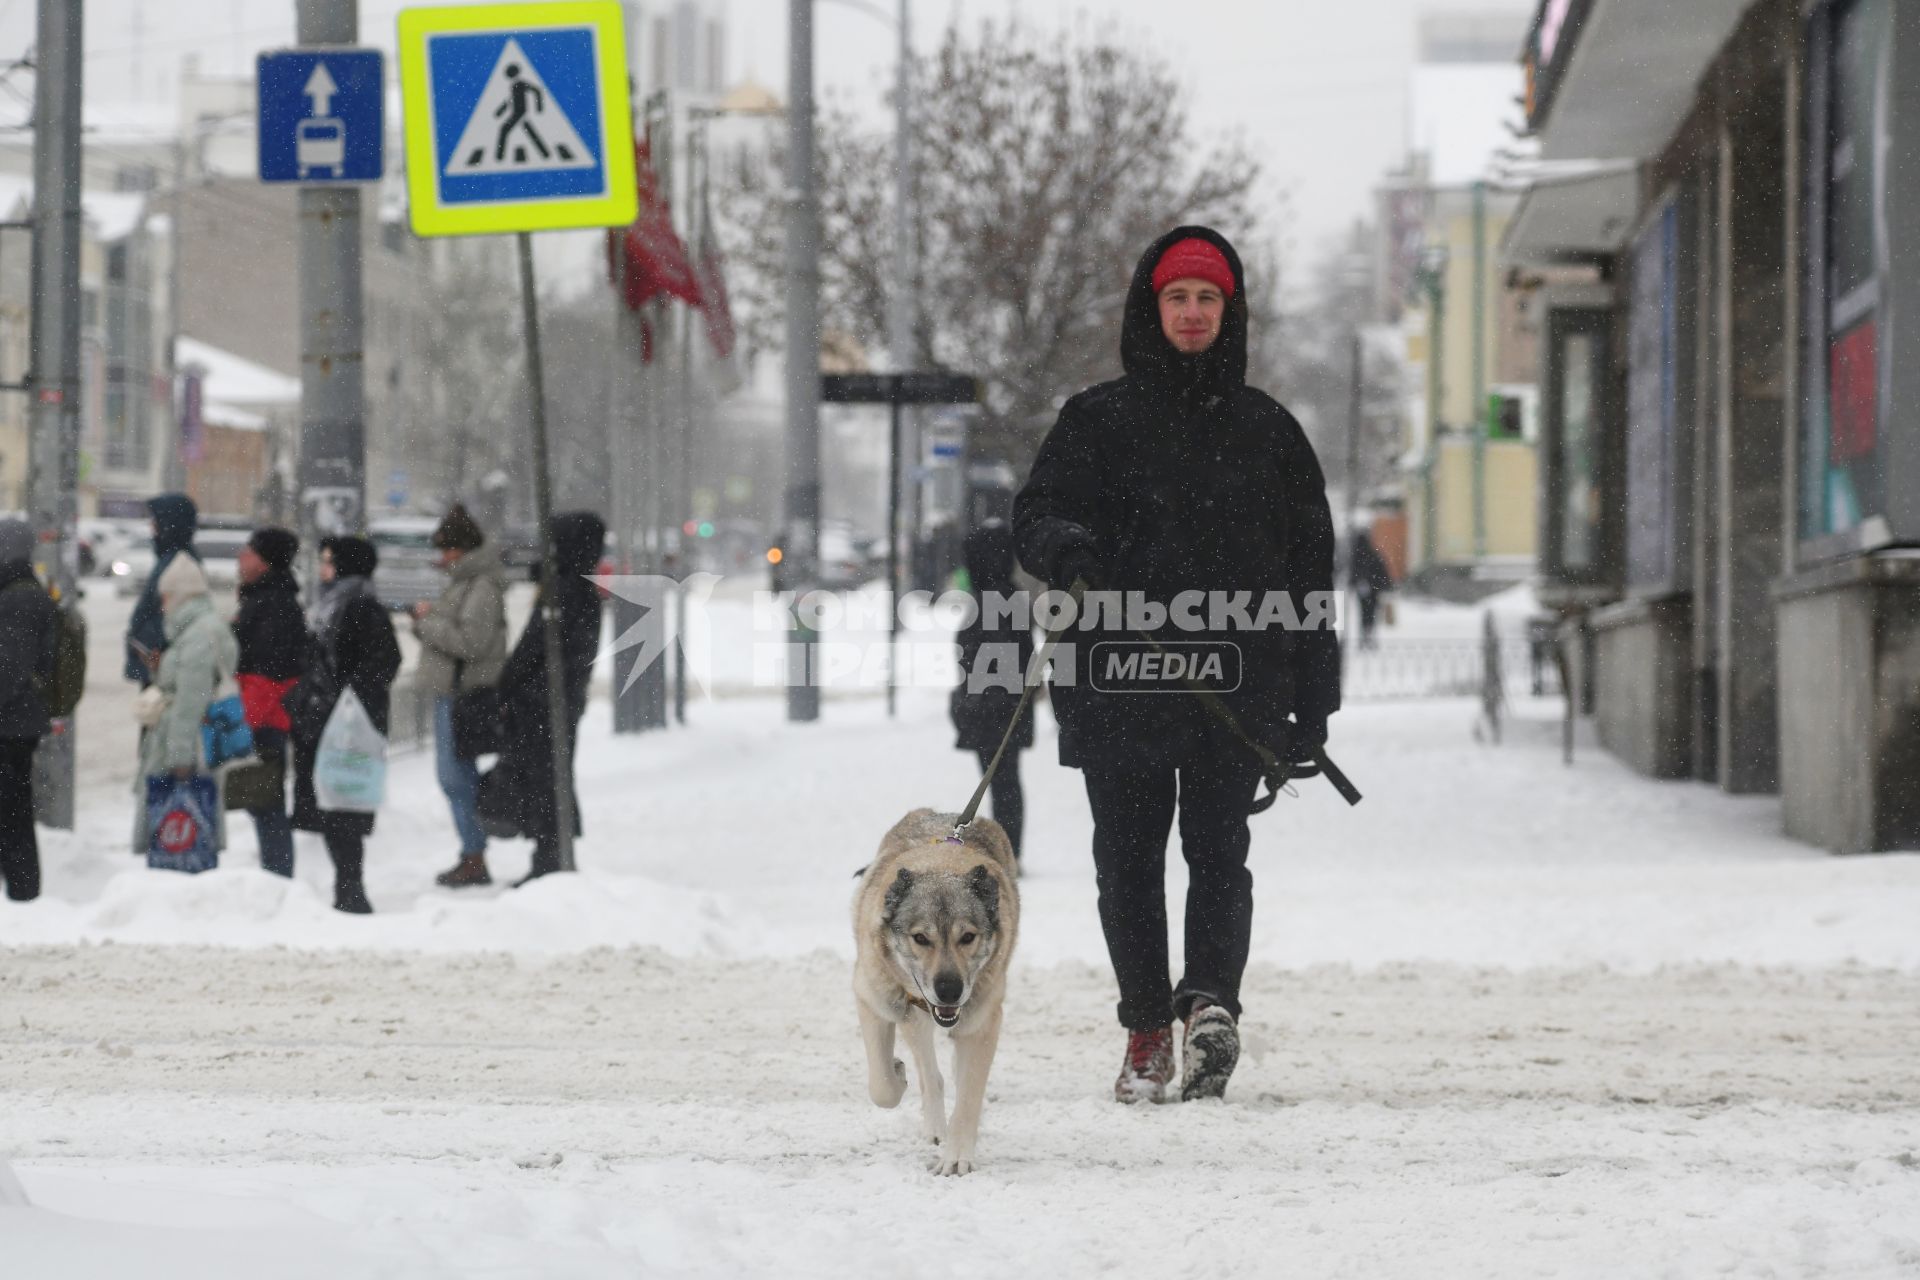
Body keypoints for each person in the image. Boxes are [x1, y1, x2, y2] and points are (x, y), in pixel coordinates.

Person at [1012, 227, 1339, 1104]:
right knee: (1127, 863)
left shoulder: (1270, 431)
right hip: (1119, 684)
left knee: (1218, 854)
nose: (1192, 313)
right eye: (1177, 298)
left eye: (1208, 300)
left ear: (1229, 314)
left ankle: (1211, 1009)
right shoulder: (1095, 421)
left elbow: (1312, 574)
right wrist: (1067, 546)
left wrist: (1315, 703)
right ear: (1150, 311)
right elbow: (1035, 513)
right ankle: (1147, 1028)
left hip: (1237, 689)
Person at [477, 512, 606, 887]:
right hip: (556, 702)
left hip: (543, 704)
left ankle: (549, 857)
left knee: (544, 779)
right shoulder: (578, 588)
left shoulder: (565, 591)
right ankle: (550, 852)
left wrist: (507, 685)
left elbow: (535, 648)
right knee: (550, 777)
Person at [291, 536, 401, 914]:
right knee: (335, 804)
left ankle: (350, 889)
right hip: (327, 720)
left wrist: (346, 699)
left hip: (347, 726)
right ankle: (347, 887)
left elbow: (384, 662)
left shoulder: (360, 607)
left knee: (345, 804)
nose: (322, 569)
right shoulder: (331, 604)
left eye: (328, 561)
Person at [415, 505, 509, 888]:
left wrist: (426, 622)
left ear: (461, 549)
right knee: (455, 777)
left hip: (462, 696)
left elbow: (471, 642)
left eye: (446, 549)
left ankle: (474, 853)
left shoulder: (480, 586)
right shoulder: (464, 583)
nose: (441, 558)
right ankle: (472, 850)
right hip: (452, 693)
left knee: (455, 778)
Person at [134, 554, 237, 856]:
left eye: (166, 596)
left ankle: (178, 870)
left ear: (180, 596)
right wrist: (160, 668)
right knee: (185, 823)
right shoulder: (195, 632)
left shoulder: (198, 637)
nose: (163, 604)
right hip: (191, 742)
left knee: (178, 826)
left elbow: (190, 703)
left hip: (185, 746)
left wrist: (180, 757)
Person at [948, 519, 1033, 865]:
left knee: (1003, 784)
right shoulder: (1004, 598)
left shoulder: (994, 602)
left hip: (994, 712)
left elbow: (996, 661)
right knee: (1005, 783)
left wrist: (979, 702)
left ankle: (1007, 852)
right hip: (1000, 710)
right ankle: (1007, 850)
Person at [231, 527, 304, 877]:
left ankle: (278, 878)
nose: (240, 558)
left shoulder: (273, 603)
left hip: (265, 717)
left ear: (266, 561)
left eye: (248, 552)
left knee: (266, 802)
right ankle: (276, 874)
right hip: (262, 714)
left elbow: (269, 671)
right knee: (261, 800)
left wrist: (250, 719)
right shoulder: (262, 598)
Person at [0, 520, 56, 902]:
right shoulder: (22, 591)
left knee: (13, 809)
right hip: (18, 719)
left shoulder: (18, 598)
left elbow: (10, 668)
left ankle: (23, 891)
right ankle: (21, 888)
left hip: (12, 723)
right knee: (12, 806)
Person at [124, 494, 198, 686]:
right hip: (158, 660)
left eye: (156, 520)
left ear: (169, 524)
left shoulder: (180, 563)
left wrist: (159, 646)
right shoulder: (170, 558)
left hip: (164, 663)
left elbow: (178, 617)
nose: (152, 526)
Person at [1349, 528, 1394, 651]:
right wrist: (1384, 585)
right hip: (1374, 590)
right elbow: (1382, 572)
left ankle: (1365, 636)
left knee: (1364, 613)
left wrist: (1357, 583)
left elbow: (1354, 574)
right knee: (1371, 613)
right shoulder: (1373, 554)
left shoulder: (1357, 557)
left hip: (1364, 591)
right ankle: (1368, 635)